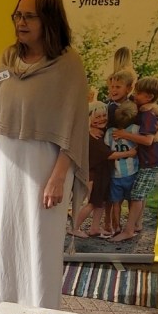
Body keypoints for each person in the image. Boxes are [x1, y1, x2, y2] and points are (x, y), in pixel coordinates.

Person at [0, 0, 89, 314]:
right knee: (6, 234)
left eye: (29, 16)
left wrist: (59, 177)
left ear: (49, 20)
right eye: (17, 15)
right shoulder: (8, 58)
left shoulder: (68, 65)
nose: (20, 22)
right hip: (8, 157)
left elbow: (75, 125)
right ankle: (3, 308)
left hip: (46, 163)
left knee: (40, 241)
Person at [110, 77, 158, 242]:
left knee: (136, 194)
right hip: (149, 159)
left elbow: (148, 140)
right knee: (140, 193)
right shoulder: (145, 108)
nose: (134, 95)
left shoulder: (149, 114)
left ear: (149, 97)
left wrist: (124, 134)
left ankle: (129, 230)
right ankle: (137, 224)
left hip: (152, 160)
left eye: (138, 93)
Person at [70, 102, 113, 238]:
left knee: (101, 202)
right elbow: (107, 155)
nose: (101, 119)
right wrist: (130, 153)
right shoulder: (90, 136)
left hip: (104, 173)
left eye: (104, 115)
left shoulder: (103, 132)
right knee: (93, 202)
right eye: (97, 117)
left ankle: (95, 227)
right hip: (95, 173)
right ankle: (74, 227)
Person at [104, 99, 139, 237]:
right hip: (131, 172)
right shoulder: (135, 129)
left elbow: (107, 148)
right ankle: (132, 225)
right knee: (132, 200)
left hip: (115, 173)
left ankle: (116, 226)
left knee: (116, 202)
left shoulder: (109, 132)